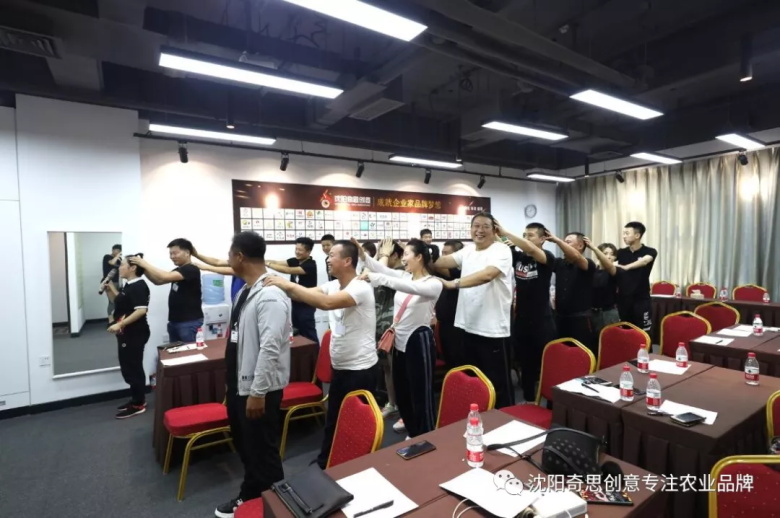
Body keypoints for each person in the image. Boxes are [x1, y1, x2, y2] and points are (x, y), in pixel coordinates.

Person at [264, 240, 377, 468]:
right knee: (334, 418)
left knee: (356, 422)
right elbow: (304, 294)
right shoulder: (333, 285)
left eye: (332, 255)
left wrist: (284, 282)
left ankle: (355, 466)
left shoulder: (360, 287)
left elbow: (325, 303)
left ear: (347, 261)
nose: (328, 259)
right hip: (341, 366)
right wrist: (278, 285)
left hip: (360, 369)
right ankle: (327, 460)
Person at [215, 232, 291, 518]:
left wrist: (258, 392)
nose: (227, 260)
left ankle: (275, 505)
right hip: (241, 385)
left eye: (229, 254)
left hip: (260, 390)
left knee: (263, 450)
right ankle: (253, 495)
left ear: (239, 257)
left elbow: (271, 348)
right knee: (248, 447)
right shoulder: (244, 292)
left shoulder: (270, 295)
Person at [358, 238, 442, 438]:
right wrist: (363, 256)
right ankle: (412, 430)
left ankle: (426, 434)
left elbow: (408, 287)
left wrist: (377, 278)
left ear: (419, 257)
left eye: (406, 254)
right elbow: (381, 268)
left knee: (421, 391)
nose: (403, 259)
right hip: (400, 341)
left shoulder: (434, 283)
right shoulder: (406, 276)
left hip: (418, 340)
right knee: (403, 390)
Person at [435, 212, 514, 408]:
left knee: (497, 383)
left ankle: (505, 418)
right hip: (468, 326)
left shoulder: (501, 250)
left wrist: (454, 283)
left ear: (494, 230)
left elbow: (488, 275)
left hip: (492, 329)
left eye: (486, 226)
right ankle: (479, 417)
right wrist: (422, 254)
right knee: (475, 381)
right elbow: (442, 262)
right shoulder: (468, 250)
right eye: (476, 226)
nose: (480, 230)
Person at [495, 221, 556, 403]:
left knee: (545, 364)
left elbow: (530, 248)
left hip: (542, 320)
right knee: (526, 363)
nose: (526, 238)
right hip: (522, 319)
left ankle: (551, 403)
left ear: (542, 239)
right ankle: (529, 400)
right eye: (524, 235)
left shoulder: (547, 256)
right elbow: (499, 241)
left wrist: (506, 232)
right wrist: (495, 230)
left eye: (530, 235)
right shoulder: (519, 257)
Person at [363, 239, 405, 425]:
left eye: (383, 253)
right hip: (379, 326)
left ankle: (405, 410)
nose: (380, 256)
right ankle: (392, 403)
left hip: (395, 329)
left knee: (399, 371)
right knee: (387, 368)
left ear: (394, 255)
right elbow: (368, 273)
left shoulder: (403, 273)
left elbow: (382, 272)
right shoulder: (379, 269)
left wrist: (384, 255)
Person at [104, 254, 150, 419]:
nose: (120, 268)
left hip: (135, 333)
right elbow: (120, 302)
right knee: (128, 367)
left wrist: (120, 324)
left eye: (122, 265)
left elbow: (141, 310)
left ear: (133, 268)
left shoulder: (138, 286)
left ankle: (139, 404)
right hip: (127, 333)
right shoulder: (128, 285)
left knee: (133, 368)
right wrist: (109, 288)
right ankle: (136, 399)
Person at [131, 239, 203, 343]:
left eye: (175, 253)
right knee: (175, 352)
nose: (172, 256)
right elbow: (158, 281)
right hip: (174, 321)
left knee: (189, 352)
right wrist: (144, 269)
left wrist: (145, 264)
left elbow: (164, 276)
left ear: (187, 253)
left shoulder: (191, 269)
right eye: (170, 254)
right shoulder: (177, 270)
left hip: (189, 322)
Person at [548, 231, 597, 354]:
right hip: (560, 317)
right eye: (564, 242)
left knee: (581, 353)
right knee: (561, 352)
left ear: (580, 246)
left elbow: (576, 257)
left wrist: (557, 241)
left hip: (580, 319)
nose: (564, 245)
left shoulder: (588, 263)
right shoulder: (559, 263)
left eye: (568, 242)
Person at [265, 237, 319, 345]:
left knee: (309, 333)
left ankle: (316, 354)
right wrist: (262, 261)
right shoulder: (294, 261)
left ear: (308, 252)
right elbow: (278, 262)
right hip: (295, 303)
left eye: (300, 250)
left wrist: (268, 265)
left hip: (307, 305)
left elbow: (287, 270)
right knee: (297, 332)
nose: (297, 252)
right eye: (296, 249)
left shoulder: (310, 265)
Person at [616, 222, 658, 332]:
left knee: (643, 331)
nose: (624, 236)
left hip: (641, 299)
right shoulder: (620, 252)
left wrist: (626, 267)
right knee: (624, 330)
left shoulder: (650, 251)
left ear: (637, 235)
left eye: (627, 233)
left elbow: (644, 261)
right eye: (623, 233)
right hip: (623, 299)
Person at [435, 240, 465, 369]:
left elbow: (437, 266)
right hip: (444, 323)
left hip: (457, 325)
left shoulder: (461, 271)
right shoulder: (442, 270)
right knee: (448, 360)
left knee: (458, 361)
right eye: (442, 253)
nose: (443, 257)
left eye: (446, 254)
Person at [585, 239, 622, 341]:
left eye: (612, 254)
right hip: (592, 313)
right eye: (605, 253)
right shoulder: (593, 271)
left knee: (610, 342)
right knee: (593, 342)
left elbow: (610, 268)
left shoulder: (615, 270)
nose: (609, 256)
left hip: (608, 313)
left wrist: (593, 248)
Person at [102, 244, 122, 321]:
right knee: (112, 302)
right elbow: (112, 263)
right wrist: (117, 256)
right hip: (108, 282)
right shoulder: (107, 256)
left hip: (116, 282)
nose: (118, 252)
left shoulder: (119, 259)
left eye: (120, 251)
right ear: (113, 250)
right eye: (118, 250)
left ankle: (115, 319)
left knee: (117, 302)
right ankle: (111, 320)